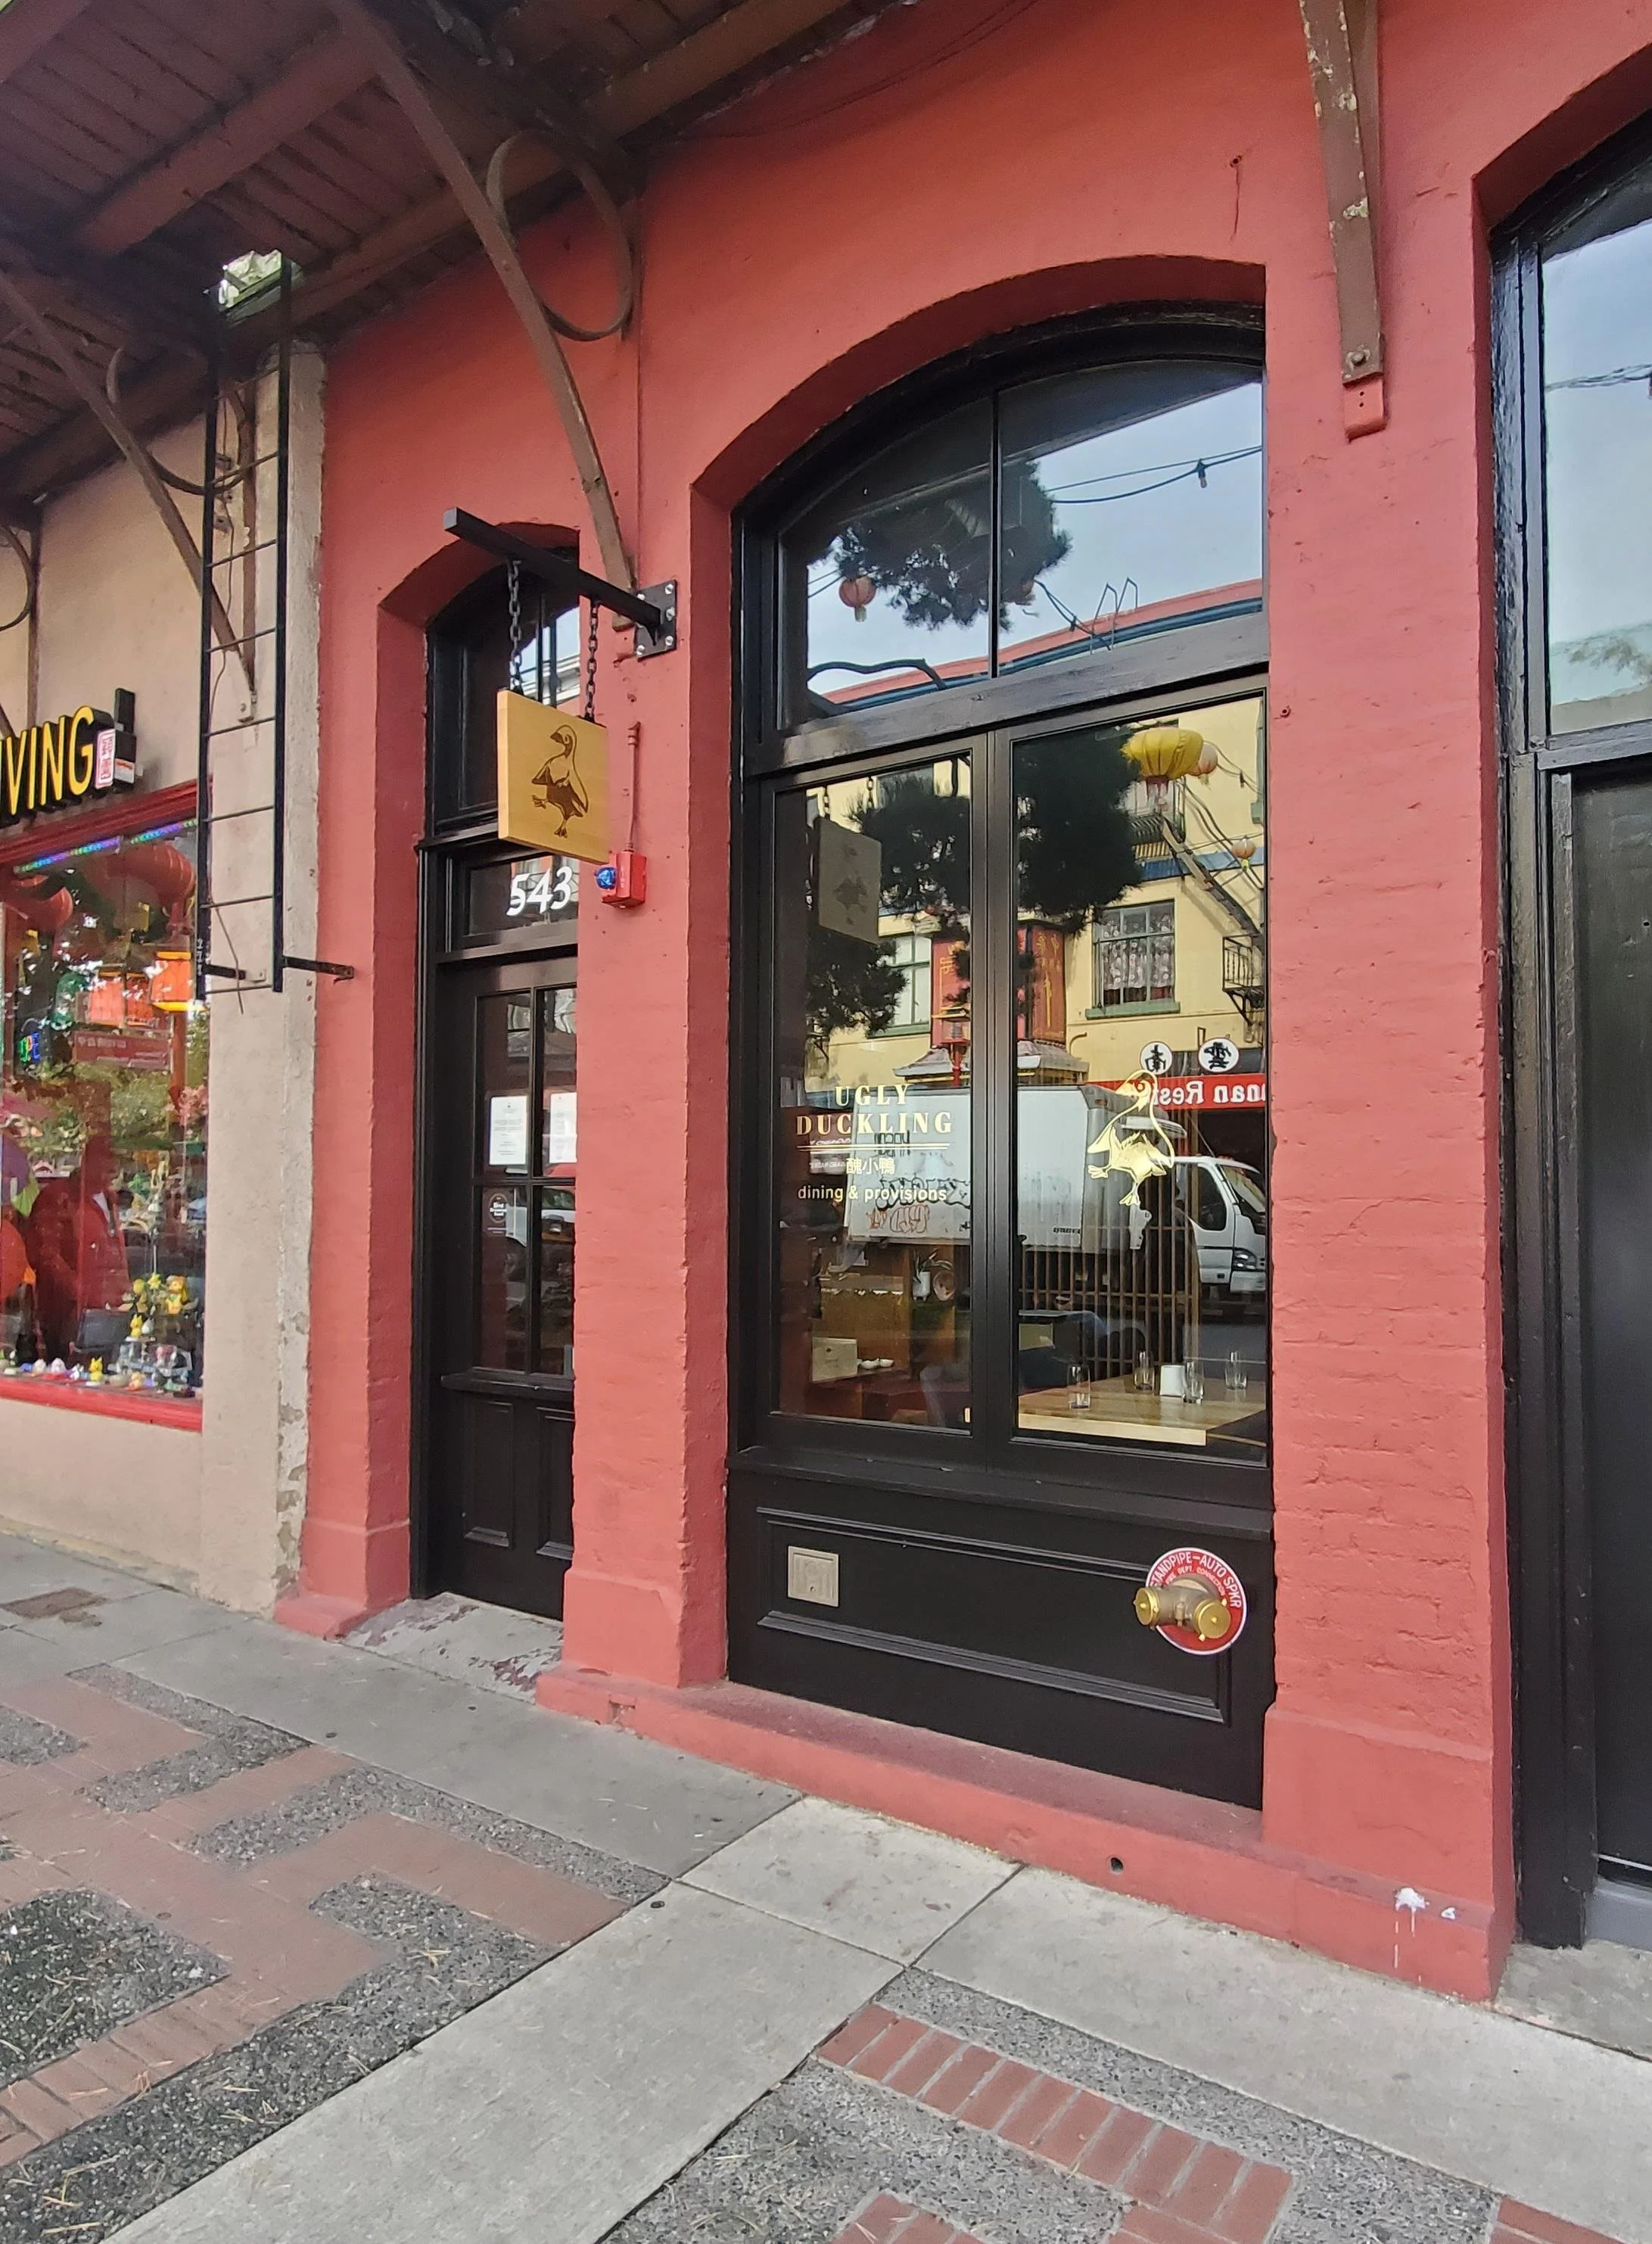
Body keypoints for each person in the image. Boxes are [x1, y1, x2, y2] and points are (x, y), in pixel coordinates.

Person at [23, 1134, 131, 1362]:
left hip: (109, 1310)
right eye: (106, 1160)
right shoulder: (57, 1197)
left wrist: (124, 1290)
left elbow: (114, 1251)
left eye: (116, 1161)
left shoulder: (109, 1198)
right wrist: (80, 1291)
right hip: (67, 1315)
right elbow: (46, 1255)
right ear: (88, 1160)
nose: (112, 1168)